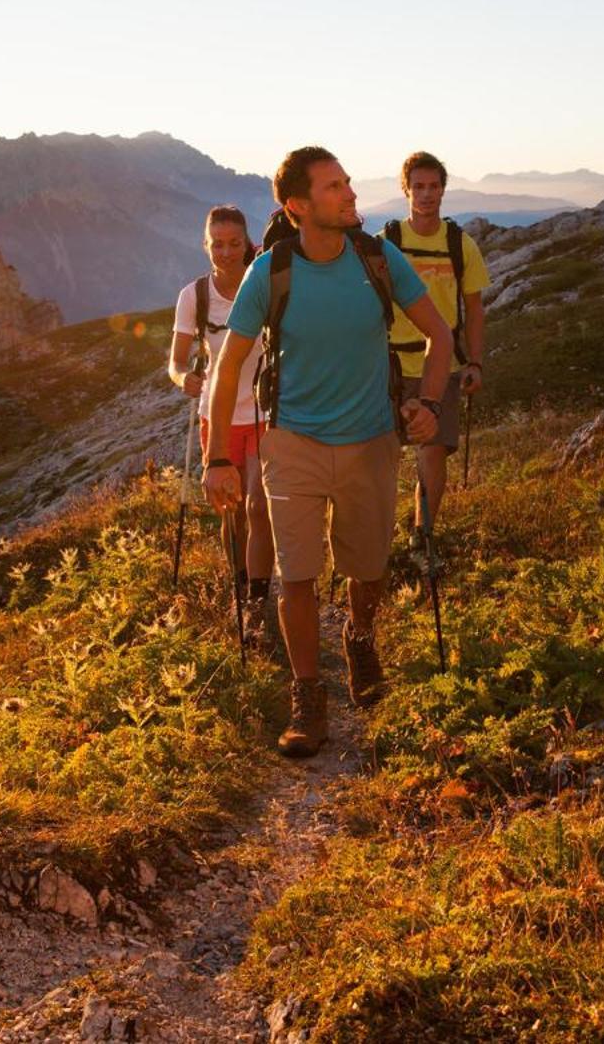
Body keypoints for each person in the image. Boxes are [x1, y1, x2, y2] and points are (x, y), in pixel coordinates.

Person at [203, 147, 453, 757]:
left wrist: (430, 406)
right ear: (298, 207)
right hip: (292, 442)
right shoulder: (272, 271)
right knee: (298, 574)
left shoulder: (377, 258)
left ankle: (361, 640)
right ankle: (307, 694)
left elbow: (439, 335)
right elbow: (229, 366)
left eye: (346, 182)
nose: (350, 194)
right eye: (335, 187)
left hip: (370, 440)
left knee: (368, 570)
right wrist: (217, 458)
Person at [167, 205, 276, 653]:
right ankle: (240, 580)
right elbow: (175, 361)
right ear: (205, 245)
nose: (226, 252)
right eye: (217, 244)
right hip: (219, 413)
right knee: (231, 512)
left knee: (259, 506)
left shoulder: (265, 286)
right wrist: (183, 378)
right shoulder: (194, 296)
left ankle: (256, 599)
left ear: (248, 243)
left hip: (267, 412)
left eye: (234, 243)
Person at [382, 152, 488, 550]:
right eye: (419, 187)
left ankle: (421, 537)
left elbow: (474, 310)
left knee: (431, 455)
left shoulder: (461, 245)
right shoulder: (387, 245)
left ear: (444, 189)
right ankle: (379, 537)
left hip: (442, 367)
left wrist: (474, 362)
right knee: (382, 459)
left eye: (434, 186)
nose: (427, 195)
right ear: (406, 189)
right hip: (389, 366)